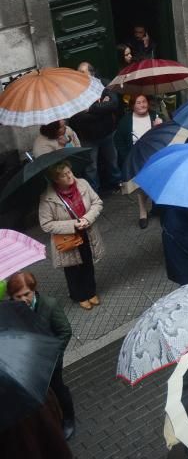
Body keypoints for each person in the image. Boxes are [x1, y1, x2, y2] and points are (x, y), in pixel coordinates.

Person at [7, 272, 76, 440]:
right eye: (18, 296)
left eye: (26, 294)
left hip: (50, 360)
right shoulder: (9, 308)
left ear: (34, 290)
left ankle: (68, 418)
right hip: (27, 361)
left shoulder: (50, 305)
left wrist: (53, 354)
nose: (23, 299)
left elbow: (65, 331)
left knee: (58, 387)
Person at [38, 161, 104, 310]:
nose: (69, 176)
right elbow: (46, 224)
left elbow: (97, 203)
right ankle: (79, 295)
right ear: (56, 180)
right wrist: (72, 224)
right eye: (64, 175)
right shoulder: (48, 197)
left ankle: (91, 291)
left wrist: (87, 218)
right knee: (72, 268)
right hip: (68, 238)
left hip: (87, 231)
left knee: (88, 262)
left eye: (69, 172)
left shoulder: (83, 184)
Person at [68, 62, 121, 194]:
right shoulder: (74, 91)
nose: (79, 75)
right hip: (88, 136)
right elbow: (77, 117)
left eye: (82, 72)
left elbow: (113, 104)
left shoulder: (104, 84)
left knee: (112, 160)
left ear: (91, 73)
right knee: (91, 167)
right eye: (78, 72)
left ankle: (117, 184)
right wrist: (101, 110)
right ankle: (95, 192)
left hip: (107, 132)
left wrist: (90, 109)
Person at [113, 94, 162, 227]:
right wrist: (127, 157)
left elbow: (162, 135)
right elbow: (118, 141)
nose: (142, 105)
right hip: (137, 157)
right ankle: (142, 211)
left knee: (158, 181)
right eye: (138, 102)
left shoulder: (154, 115)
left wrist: (159, 126)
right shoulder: (126, 121)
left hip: (154, 154)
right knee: (141, 185)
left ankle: (157, 206)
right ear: (132, 106)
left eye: (144, 102)